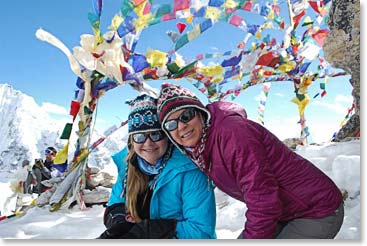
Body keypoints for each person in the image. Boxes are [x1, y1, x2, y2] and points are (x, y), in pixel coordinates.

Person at [156, 83, 344, 239]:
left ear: (200, 113)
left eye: (186, 116)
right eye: (171, 124)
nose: (181, 126)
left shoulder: (232, 133)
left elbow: (263, 198)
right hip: (283, 211)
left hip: (316, 209)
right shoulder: (199, 148)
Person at [98, 94, 216, 239]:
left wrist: (148, 232)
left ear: (167, 136)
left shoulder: (190, 170)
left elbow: (201, 231)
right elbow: (116, 202)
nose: (148, 143)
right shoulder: (128, 168)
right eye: (140, 136)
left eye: (155, 134)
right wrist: (118, 219)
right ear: (132, 140)